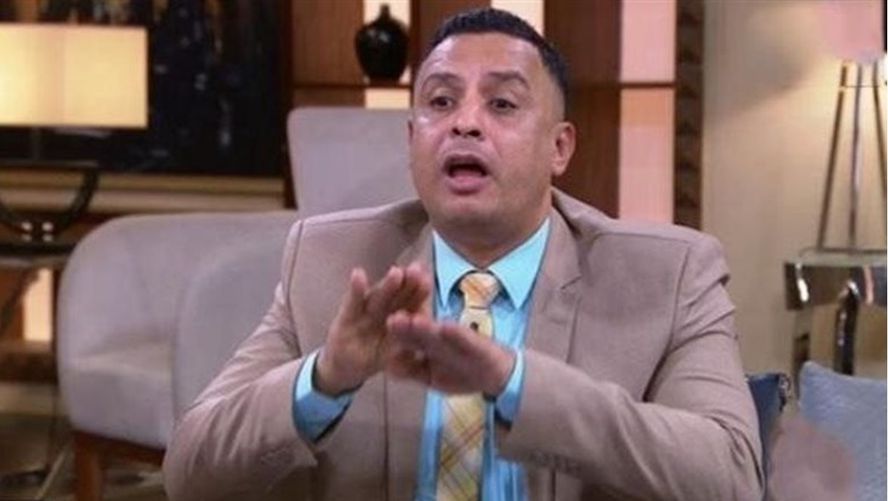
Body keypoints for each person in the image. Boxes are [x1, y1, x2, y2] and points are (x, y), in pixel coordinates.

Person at [164, 8, 762, 501]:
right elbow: (189, 474)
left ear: (559, 148)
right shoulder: (331, 262)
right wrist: (324, 380)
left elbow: (731, 478)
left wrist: (516, 383)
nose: (465, 123)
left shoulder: (670, 275)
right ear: (412, 141)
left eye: (502, 104)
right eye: (441, 102)